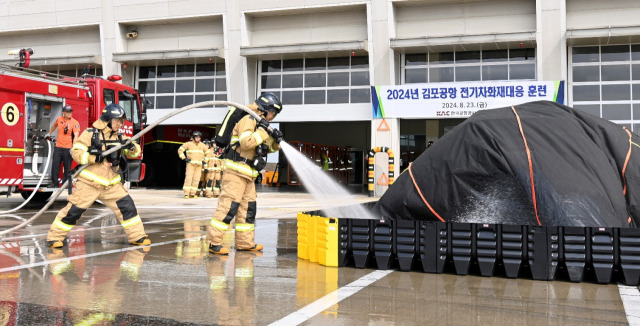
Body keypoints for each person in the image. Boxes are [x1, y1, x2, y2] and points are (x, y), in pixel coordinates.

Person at [46, 103, 150, 248]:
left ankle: (137, 236)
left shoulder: (119, 136)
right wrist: (93, 157)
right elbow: (76, 152)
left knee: (128, 207)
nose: (121, 124)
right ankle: (54, 237)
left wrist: (131, 146)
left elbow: (136, 152)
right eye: (118, 120)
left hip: (111, 185)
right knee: (73, 212)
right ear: (109, 119)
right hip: (89, 183)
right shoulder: (90, 133)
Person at [206, 92, 284, 255]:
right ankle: (214, 242)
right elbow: (247, 142)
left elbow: (264, 146)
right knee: (228, 207)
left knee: (248, 210)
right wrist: (263, 131)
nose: (272, 117)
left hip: (248, 174)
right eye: (272, 113)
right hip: (236, 172)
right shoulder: (248, 119)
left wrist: (275, 142)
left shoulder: (258, 123)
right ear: (265, 108)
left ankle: (244, 243)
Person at [46, 104, 80, 194]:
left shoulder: (75, 123)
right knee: (55, 165)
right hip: (58, 147)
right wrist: (49, 133)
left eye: (70, 112)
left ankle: (65, 183)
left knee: (67, 167)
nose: (69, 114)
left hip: (68, 148)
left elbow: (76, 135)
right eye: (67, 112)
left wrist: (74, 147)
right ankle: (55, 183)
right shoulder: (59, 119)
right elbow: (54, 125)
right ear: (63, 112)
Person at [178, 131, 208, 198]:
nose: (198, 139)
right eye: (197, 137)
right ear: (194, 137)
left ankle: (192, 194)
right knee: (188, 178)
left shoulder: (202, 145)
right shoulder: (188, 144)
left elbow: (208, 153)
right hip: (190, 165)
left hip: (199, 165)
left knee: (196, 179)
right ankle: (186, 193)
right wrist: (184, 158)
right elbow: (180, 150)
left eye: (199, 137)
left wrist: (205, 161)